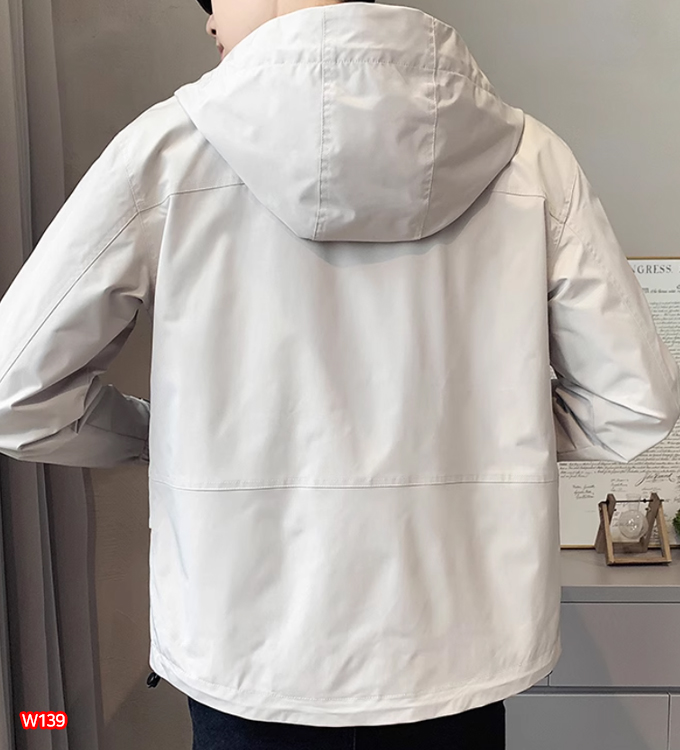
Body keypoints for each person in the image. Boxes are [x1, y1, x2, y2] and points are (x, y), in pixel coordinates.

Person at [0, 0, 678, 748]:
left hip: (249, 658)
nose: (209, 23)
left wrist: (162, 436)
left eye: (212, 1)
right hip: (455, 661)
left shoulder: (166, 151)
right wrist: (488, 435)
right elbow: (633, 405)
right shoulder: (532, 157)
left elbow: (16, 395)